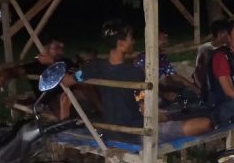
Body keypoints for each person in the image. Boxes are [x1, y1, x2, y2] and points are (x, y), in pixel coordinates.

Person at [66, 20, 211, 142]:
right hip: (137, 133)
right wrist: (162, 116)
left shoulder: (93, 66)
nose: (134, 41)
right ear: (121, 43)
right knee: (205, 123)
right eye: (131, 38)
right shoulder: (134, 72)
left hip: (110, 131)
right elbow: (144, 108)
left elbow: (68, 80)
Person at [134, 31, 201, 104]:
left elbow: (174, 76)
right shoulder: (143, 59)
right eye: (163, 38)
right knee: (159, 100)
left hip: (155, 91)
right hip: (141, 95)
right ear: (156, 40)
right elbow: (145, 84)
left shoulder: (162, 58)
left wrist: (193, 87)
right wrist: (164, 94)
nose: (166, 38)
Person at [192, 19, 230, 90]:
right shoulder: (206, 50)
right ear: (221, 34)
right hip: (209, 87)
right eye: (229, 33)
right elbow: (200, 72)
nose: (231, 35)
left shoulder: (228, 48)